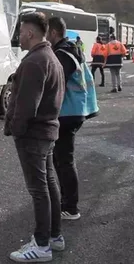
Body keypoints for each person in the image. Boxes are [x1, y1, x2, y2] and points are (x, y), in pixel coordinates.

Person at [4, 12, 65, 262]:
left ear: (30, 33)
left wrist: (16, 130)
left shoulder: (34, 61)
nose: (19, 36)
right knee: (49, 184)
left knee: (39, 189)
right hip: (48, 131)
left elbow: (27, 105)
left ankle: (41, 245)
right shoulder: (50, 57)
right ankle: (54, 237)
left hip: (34, 135)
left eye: (20, 31)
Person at [47, 17, 98, 223]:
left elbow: (56, 84)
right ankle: (67, 203)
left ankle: (70, 207)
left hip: (68, 112)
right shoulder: (72, 48)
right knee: (60, 159)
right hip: (76, 110)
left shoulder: (62, 54)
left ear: (52, 32)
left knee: (64, 160)